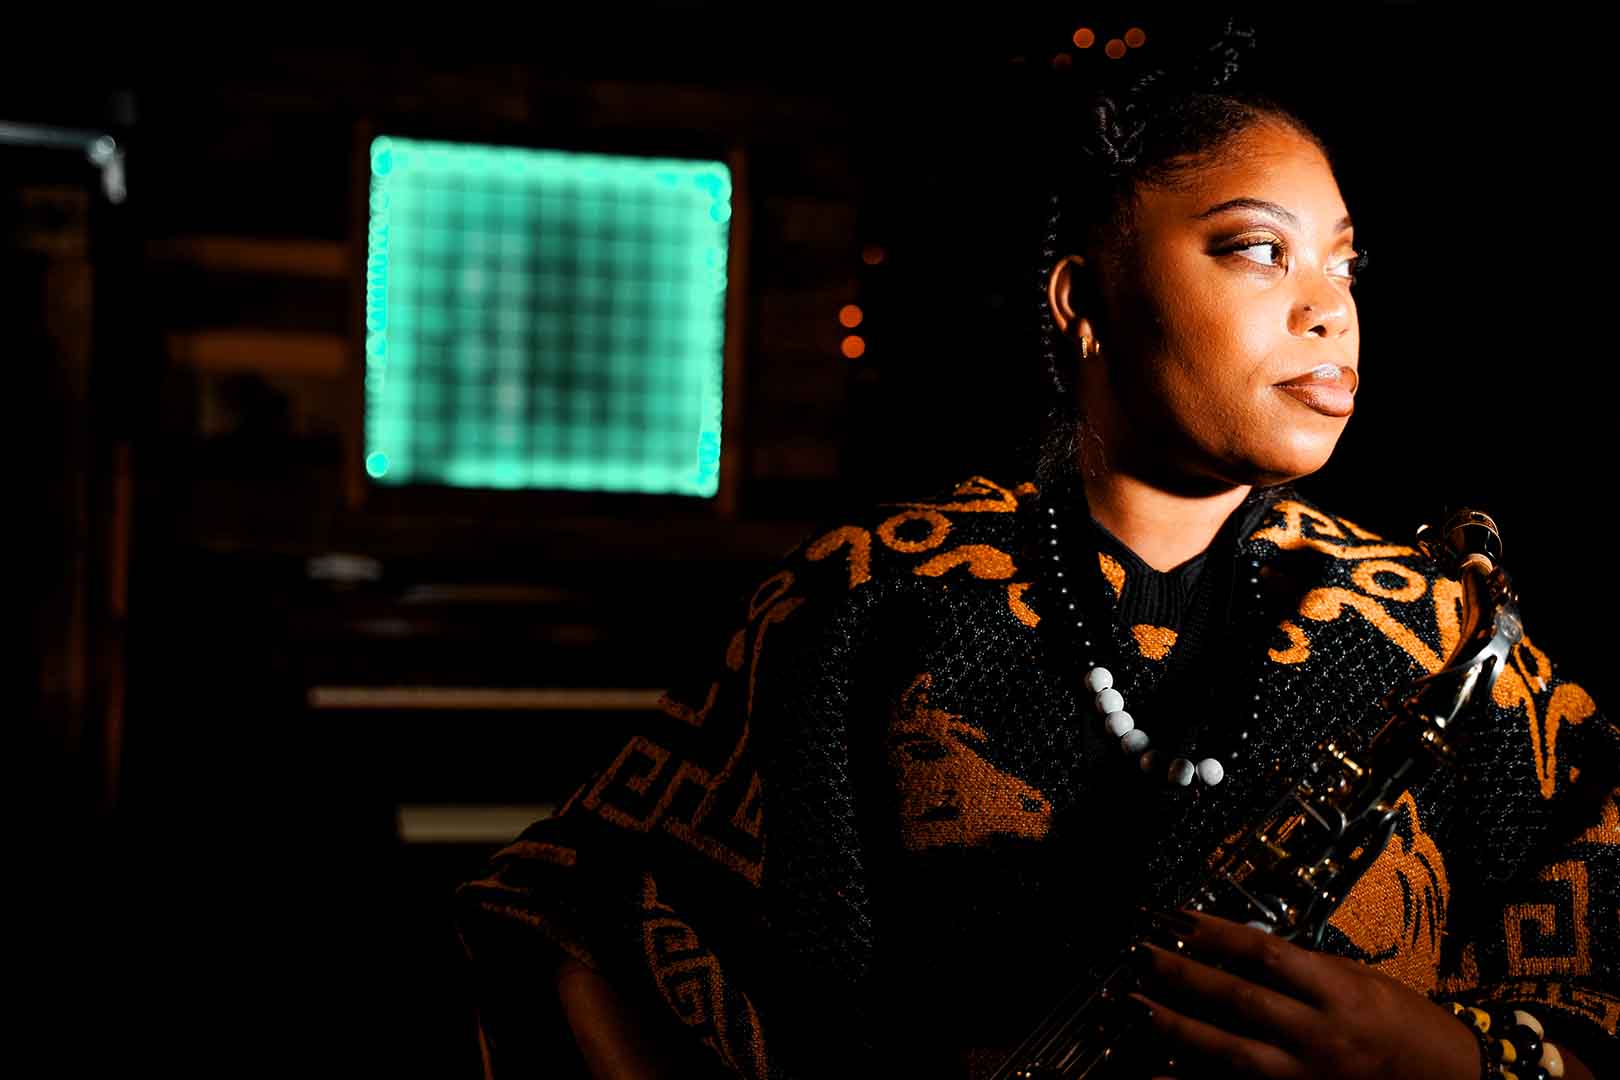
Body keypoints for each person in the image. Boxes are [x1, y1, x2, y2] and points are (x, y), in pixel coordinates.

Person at [456, 23, 1617, 1079]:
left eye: (1345, 263)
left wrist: (1458, 1065)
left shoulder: (1446, 631)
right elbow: (567, 919)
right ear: (1082, 299)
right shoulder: (869, 595)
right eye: (1259, 249)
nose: (1330, 308)